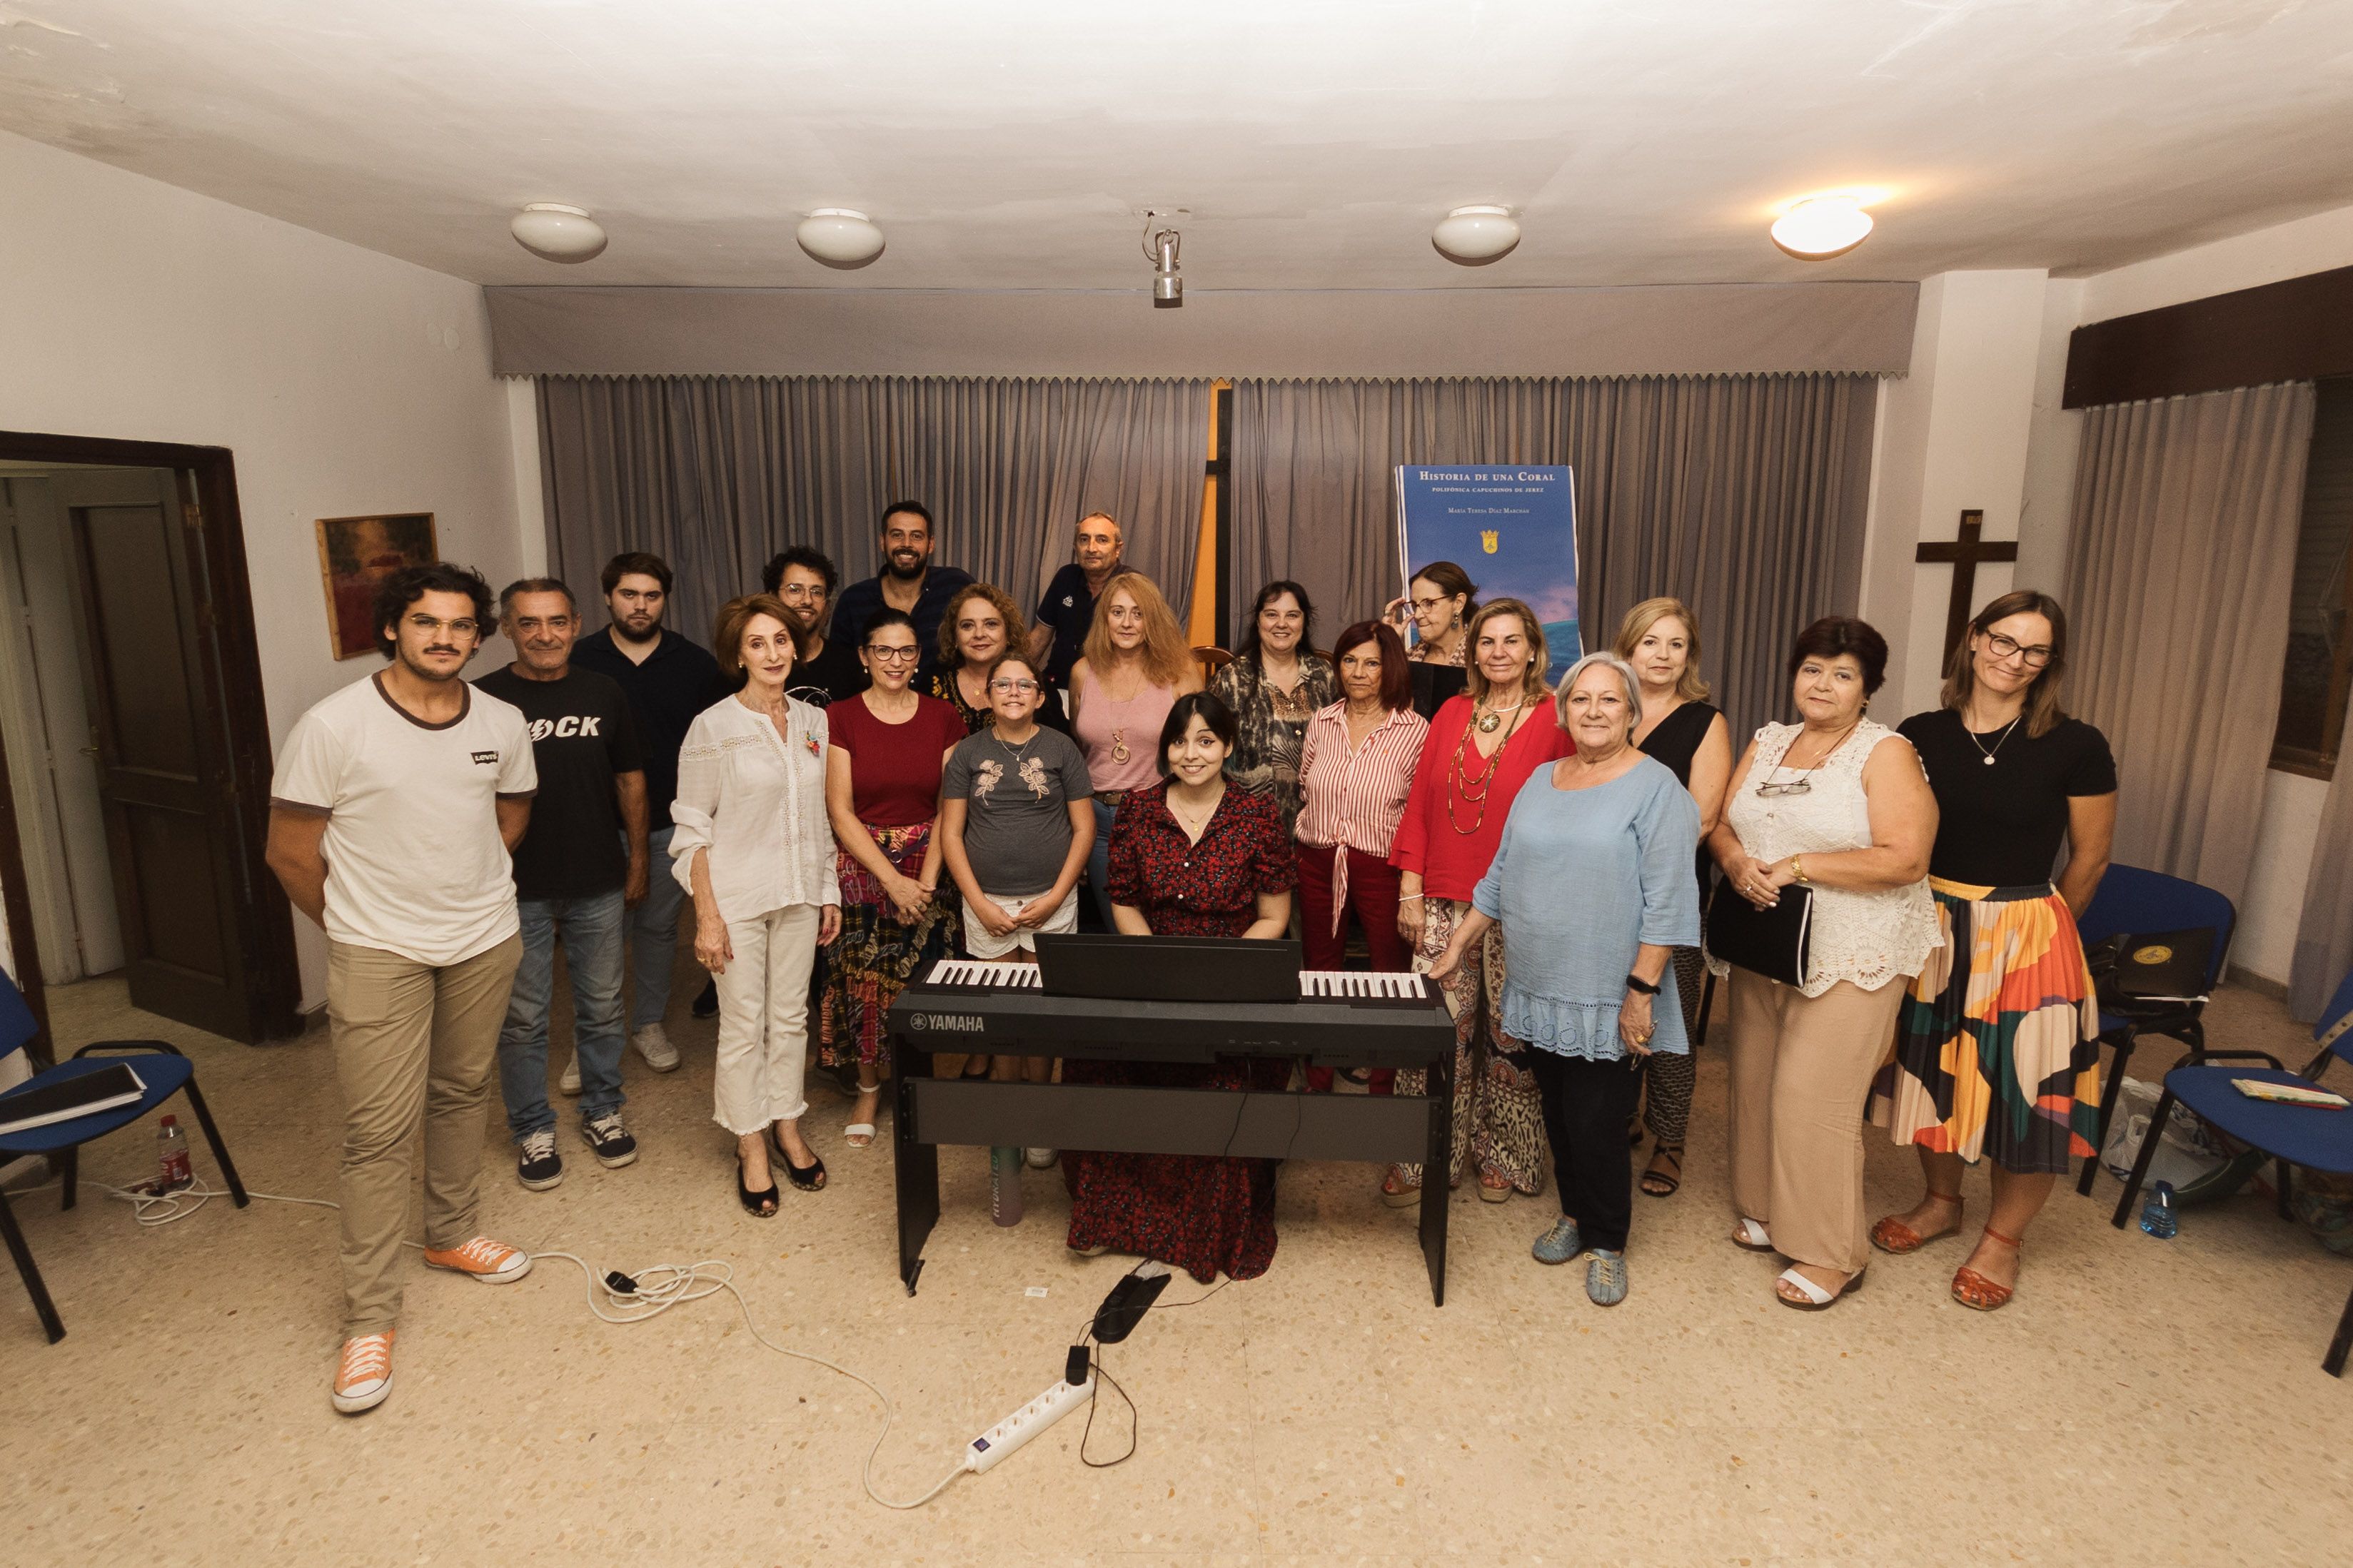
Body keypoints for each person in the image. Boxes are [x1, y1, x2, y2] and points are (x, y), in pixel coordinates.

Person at [264, 562, 535, 1416]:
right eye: (426, 622)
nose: (444, 637)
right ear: (393, 628)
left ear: (478, 635)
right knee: (376, 1132)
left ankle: (451, 1235)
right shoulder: (333, 726)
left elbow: (509, 813)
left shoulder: (501, 719)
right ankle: (368, 1319)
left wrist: (468, 888)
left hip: (484, 938)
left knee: (461, 1090)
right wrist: (355, 921)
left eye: (460, 625)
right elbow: (290, 853)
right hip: (377, 948)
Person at [1868, 591, 2117, 1311]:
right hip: (1933, 924)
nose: (2014, 660)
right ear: (1973, 641)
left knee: (2025, 1091)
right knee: (1933, 1071)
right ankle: (1939, 1201)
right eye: (2003, 641)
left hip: (2028, 931)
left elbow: (2091, 856)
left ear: (2049, 663)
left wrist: (2040, 935)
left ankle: (2002, 1239)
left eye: (2033, 650)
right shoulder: (1919, 733)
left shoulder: (2076, 744)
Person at [1429, 654, 1701, 1306]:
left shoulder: (1658, 787)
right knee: (1557, 1108)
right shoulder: (1543, 778)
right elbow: (1498, 873)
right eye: (1582, 700)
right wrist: (1457, 948)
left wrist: (1642, 992)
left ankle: (1607, 1240)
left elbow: (1670, 901)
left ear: (1632, 711)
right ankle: (1575, 1214)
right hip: (1539, 982)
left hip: (1611, 991)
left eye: (1610, 700)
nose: (1595, 711)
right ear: (1564, 710)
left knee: (1598, 1117)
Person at [1709, 616, 1939, 1310]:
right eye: (1812, 668)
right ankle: (1767, 1207)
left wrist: (1801, 865)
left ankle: (1830, 1250)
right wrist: (1736, 861)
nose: (1823, 684)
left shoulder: (1884, 751)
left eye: (1842, 674)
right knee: (1752, 1081)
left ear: (1866, 689)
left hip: (1850, 949)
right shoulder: (1767, 740)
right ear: (1793, 672)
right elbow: (1720, 822)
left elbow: (1905, 857)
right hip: (1766, 939)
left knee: (1814, 1098)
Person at [1067, 692, 1296, 1280]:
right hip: (1152, 968)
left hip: (1234, 979)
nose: (1190, 754)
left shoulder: (1257, 814)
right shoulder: (1140, 810)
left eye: (1205, 740)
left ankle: (1203, 1229)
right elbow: (1123, 899)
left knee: (1219, 1084)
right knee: (1097, 1062)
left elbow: (1273, 916)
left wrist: (1221, 977)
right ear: (1165, 746)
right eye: (1179, 740)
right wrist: (1156, 967)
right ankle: (1111, 1218)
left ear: (1226, 746)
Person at [1384, 599, 1569, 1206]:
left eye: (1511, 641)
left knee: (1510, 1034)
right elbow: (1416, 805)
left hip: (1522, 903)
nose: (1498, 652)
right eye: (1487, 641)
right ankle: (1421, 1152)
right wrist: (1410, 889)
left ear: (1534, 649)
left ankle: (1505, 1154)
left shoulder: (1556, 719)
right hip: (1440, 897)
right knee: (1436, 1028)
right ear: (1472, 651)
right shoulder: (1451, 712)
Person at [476, 578, 650, 1190]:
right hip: (512, 888)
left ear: (576, 624)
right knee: (522, 1018)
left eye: (556, 621)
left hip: (597, 877)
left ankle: (603, 1110)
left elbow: (630, 779)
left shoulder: (604, 691)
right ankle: (532, 1127)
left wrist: (637, 860)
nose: (544, 635)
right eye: (529, 623)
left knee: (602, 1007)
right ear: (507, 630)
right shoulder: (483, 700)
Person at [672, 595, 843, 1216]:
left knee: (791, 1018)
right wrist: (708, 915)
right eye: (756, 643)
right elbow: (691, 828)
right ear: (737, 654)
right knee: (744, 1024)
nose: (772, 653)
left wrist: (827, 890)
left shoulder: (813, 722)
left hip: (798, 891)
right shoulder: (712, 728)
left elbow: (820, 814)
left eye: (780, 640)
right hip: (738, 897)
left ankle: (787, 1124)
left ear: (796, 647)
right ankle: (750, 1142)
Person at [572, 550, 733, 1063]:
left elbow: (718, 743)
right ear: (607, 597)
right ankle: (592, 1039)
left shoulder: (693, 663)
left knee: (659, 930)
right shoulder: (580, 660)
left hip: (671, 823)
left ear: (664, 599)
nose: (640, 606)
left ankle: (647, 1024)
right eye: (629, 595)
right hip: (596, 827)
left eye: (651, 596)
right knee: (597, 936)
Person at [938, 651, 1095, 1154]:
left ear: (1040, 695)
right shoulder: (965, 753)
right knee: (1003, 1009)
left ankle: (1041, 1115)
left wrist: (1056, 896)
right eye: (1001, 683)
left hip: (1053, 896)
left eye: (1023, 684)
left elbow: (1084, 827)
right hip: (987, 901)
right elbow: (952, 834)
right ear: (986, 695)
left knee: (1043, 1006)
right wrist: (977, 902)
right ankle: (1010, 1112)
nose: (1012, 691)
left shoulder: (1062, 749)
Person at [822, 609, 964, 1147]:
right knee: (863, 981)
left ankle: (921, 1083)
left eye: (906, 651)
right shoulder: (840, 716)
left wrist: (923, 883)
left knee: (927, 979)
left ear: (919, 657)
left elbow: (951, 804)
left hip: (931, 858)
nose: (895, 661)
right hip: (863, 864)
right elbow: (840, 811)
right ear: (864, 656)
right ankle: (867, 1086)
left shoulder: (943, 716)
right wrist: (892, 882)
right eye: (883, 650)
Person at [1613, 597, 1734, 1200]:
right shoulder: (1607, 707)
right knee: (1612, 1010)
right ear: (1628, 647)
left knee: (1670, 1024)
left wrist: (1625, 861)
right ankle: (1625, 1115)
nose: (1662, 655)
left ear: (1691, 655)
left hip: (1668, 895)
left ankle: (1670, 1139)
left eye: (1675, 644)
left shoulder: (1705, 722)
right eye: (1650, 642)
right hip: (1602, 899)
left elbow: (1703, 819)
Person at [1294, 619, 1427, 1091]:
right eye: (1349, 660)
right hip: (1316, 860)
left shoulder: (1414, 730)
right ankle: (1319, 1074)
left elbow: (1419, 811)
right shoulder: (1322, 721)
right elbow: (1307, 784)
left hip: (1382, 868)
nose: (1359, 671)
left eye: (1372, 662)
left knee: (1389, 973)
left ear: (1390, 667)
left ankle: (1384, 1081)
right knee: (1320, 970)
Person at [1069, 572, 1202, 929]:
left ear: (1152, 619)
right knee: (1118, 928)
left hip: (1159, 816)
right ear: (1104, 618)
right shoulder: (1083, 672)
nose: (1127, 623)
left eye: (1138, 613)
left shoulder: (1181, 672)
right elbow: (1079, 751)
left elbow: (1201, 756)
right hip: (1097, 822)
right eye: (1117, 612)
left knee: (1164, 926)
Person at [1212, 580, 1336, 836]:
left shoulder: (1325, 676)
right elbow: (1209, 750)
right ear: (1258, 622)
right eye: (1272, 615)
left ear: (1304, 622)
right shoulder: (1232, 680)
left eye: (1292, 615)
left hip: (1316, 827)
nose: (1282, 624)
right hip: (1246, 830)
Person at [829, 500, 976, 683]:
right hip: (876, 709)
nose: (906, 544)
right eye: (897, 535)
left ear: (931, 544)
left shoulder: (956, 586)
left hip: (945, 708)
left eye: (916, 536)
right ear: (883, 542)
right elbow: (839, 670)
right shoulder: (853, 600)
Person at [1027, 510, 1124, 710]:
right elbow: (1039, 638)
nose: (1091, 548)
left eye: (1102, 540)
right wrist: (1013, 676)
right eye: (1084, 539)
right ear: (1075, 547)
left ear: (1117, 549)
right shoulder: (1066, 577)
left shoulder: (1131, 586)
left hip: (1109, 696)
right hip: (1057, 688)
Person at [764, 545, 869, 708]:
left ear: (827, 604)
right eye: (795, 590)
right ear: (772, 598)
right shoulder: (754, 664)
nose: (807, 600)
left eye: (817, 592)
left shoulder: (850, 667)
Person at [929, 582, 1034, 734]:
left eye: (991, 624)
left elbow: (1058, 749)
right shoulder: (933, 684)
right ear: (954, 637)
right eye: (967, 626)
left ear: (1010, 633)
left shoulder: (1033, 685)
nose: (979, 634)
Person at [1384, 561, 1476, 719]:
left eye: (1429, 604)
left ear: (1458, 603)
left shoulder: (1483, 659)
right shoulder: (1408, 659)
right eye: (1415, 605)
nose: (1418, 615)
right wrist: (1386, 641)